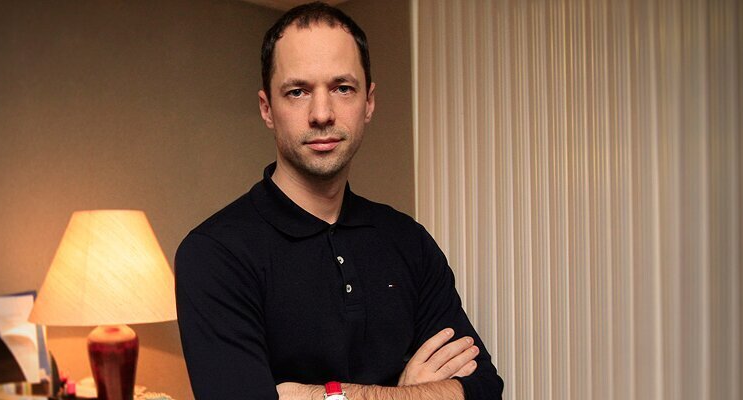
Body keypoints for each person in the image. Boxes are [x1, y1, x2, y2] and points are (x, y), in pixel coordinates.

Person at [175, 2, 503, 399]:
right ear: (267, 109)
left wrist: (323, 395)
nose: (322, 113)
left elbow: (485, 389)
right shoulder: (215, 254)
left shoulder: (408, 240)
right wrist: (417, 392)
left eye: (342, 88)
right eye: (297, 92)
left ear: (369, 102)